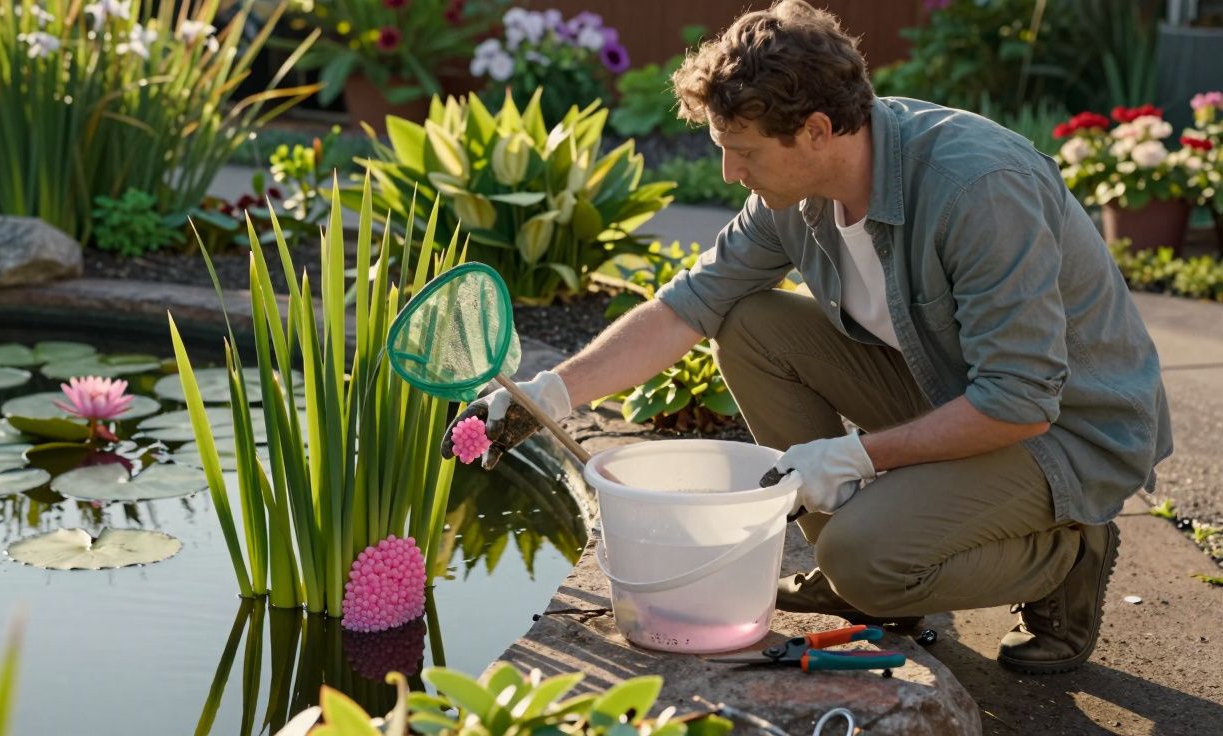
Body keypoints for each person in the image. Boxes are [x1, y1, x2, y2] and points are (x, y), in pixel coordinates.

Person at [441, 0, 1172, 675]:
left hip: (1063, 434)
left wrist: (856, 454)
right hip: (952, 388)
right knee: (750, 324)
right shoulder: (792, 194)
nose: (730, 172)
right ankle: (885, 565)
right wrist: (550, 392)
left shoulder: (974, 188)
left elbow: (1019, 401)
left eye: (744, 151)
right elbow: (687, 307)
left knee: (861, 558)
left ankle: (1067, 552)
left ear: (818, 130)